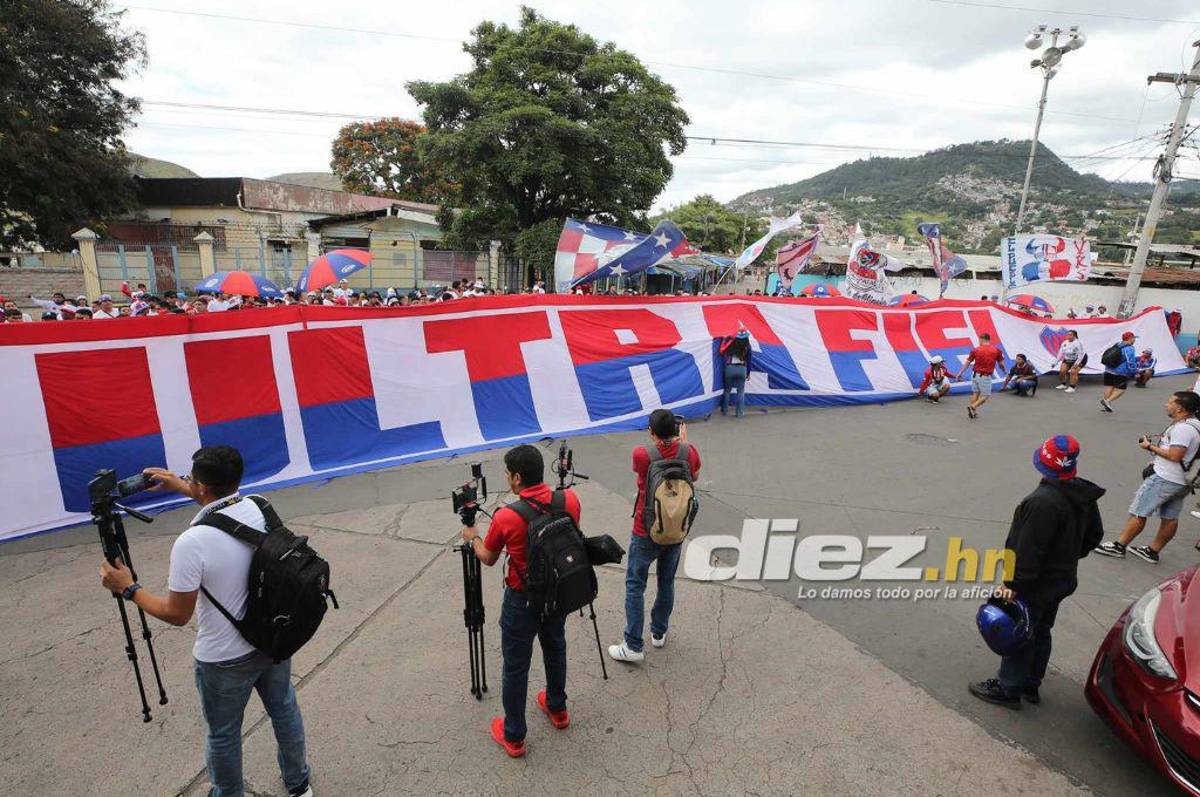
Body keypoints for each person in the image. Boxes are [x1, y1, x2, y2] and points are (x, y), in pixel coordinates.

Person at [97, 446, 313, 797]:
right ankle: (299, 783)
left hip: (224, 659)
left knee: (224, 734)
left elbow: (176, 614)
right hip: (273, 637)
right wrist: (182, 486)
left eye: (192, 480)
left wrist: (129, 588)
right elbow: (223, 509)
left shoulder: (192, 543)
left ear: (202, 488)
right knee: (284, 708)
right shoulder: (260, 506)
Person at [459, 444, 579, 758]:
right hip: (558, 594)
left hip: (521, 600)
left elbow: (487, 557)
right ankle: (558, 708)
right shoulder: (570, 500)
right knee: (555, 646)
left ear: (515, 478)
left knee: (516, 666)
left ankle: (514, 736)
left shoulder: (506, 516)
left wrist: (472, 535)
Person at [968, 435, 1104, 709]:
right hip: (1062, 578)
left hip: (1035, 582)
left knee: (1021, 630)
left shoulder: (1041, 502)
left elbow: (1027, 549)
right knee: (1041, 629)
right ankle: (1031, 681)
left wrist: (1012, 583)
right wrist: (1068, 555)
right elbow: (1094, 536)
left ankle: (1009, 687)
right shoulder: (1082, 495)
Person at [610, 409, 701, 664]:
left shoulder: (642, 454)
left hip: (646, 528)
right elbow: (694, 475)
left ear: (651, 432)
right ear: (676, 429)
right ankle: (659, 631)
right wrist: (683, 444)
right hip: (676, 527)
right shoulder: (689, 451)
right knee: (666, 581)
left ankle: (633, 644)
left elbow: (642, 471)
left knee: (635, 584)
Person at [1095, 391, 1200, 563]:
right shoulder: (1195, 424)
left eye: (1170, 401)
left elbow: (1175, 455)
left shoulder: (1183, 429)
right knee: (1170, 517)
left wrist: (1149, 447)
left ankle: (1119, 546)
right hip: (1182, 481)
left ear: (1180, 408)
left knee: (1139, 511)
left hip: (1165, 478)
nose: (1166, 404)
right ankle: (1152, 551)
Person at [957, 332, 1006, 419]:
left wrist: (959, 373)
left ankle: (973, 412)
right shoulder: (996, 350)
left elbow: (967, 363)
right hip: (985, 376)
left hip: (975, 375)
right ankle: (973, 407)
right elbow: (1001, 364)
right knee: (985, 396)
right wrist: (1003, 370)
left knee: (975, 393)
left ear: (981, 339)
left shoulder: (975, 350)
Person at [718, 326, 753, 417]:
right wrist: (748, 373)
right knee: (740, 392)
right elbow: (749, 361)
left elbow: (722, 352)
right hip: (742, 369)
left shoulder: (730, 344)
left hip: (729, 368)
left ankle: (724, 411)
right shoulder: (748, 347)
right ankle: (739, 413)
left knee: (727, 390)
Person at [1100, 331, 1137, 413]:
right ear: (1130, 339)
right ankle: (1108, 401)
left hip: (1108, 369)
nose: (1134, 340)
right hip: (1120, 372)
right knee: (1121, 389)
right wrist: (1134, 371)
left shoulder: (1117, 344)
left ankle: (1106, 403)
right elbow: (1130, 361)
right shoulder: (1130, 348)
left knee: (1109, 386)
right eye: (1134, 338)